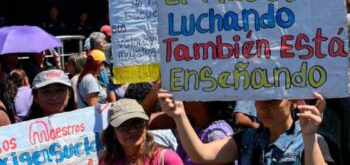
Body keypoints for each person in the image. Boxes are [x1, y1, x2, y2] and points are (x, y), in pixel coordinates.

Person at [159, 90, 334, 165]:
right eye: (259, 99)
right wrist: (179, 115)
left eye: (273, 101)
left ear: (294, 101)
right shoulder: (246, 138)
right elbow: (201, 154)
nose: (264, 107)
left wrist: (309, 137)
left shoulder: (310, 140)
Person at [100, 98, 183, 165]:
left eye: (137, 123)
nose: (132, 130)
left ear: (145, 126)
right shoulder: (106, 162)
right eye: (124, 125)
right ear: (113, 133)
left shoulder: (167, 159)